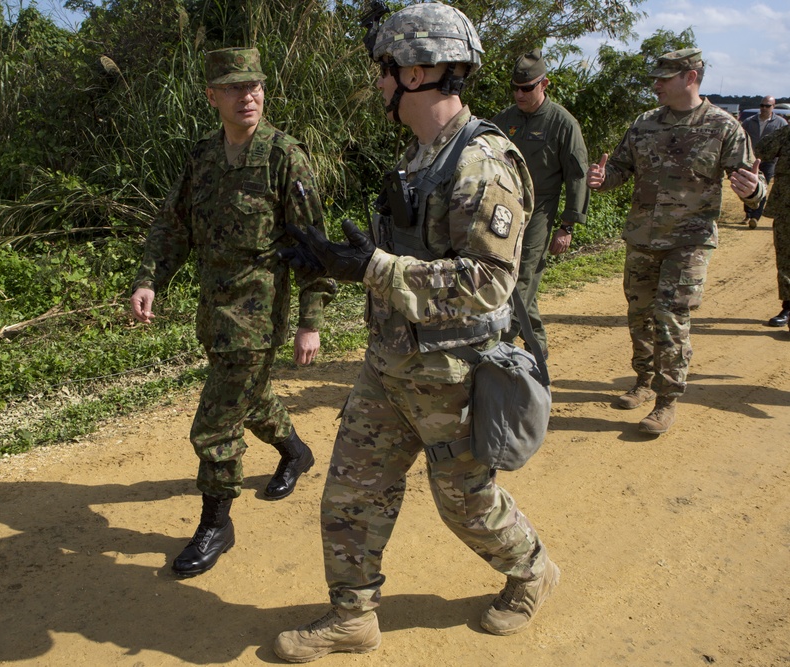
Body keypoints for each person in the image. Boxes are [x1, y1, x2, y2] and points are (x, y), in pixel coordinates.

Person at [271, 4, 558, 661]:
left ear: (423, 71)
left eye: (386, 69)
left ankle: (531, 569)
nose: (379, 82)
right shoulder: (423, 152)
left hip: (452, 376)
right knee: (351, 491)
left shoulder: (482, 163)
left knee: (467, 503)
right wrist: (338, 262)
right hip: (389, 364)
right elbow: (411, 255)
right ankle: (352, 615)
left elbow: (489, 281)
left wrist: (373, 265)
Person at [130, 47, 337, 578]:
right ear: (212, 96)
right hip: (213, 313)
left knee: (215, 422)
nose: (249, 96)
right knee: (252, 397)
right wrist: (150, 278)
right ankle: (295, 452)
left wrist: (310, 321)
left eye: (255, 87)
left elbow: (314, 244)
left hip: (257, 316)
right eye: (236, 88)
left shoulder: (284, 156)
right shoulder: (202, 157)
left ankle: (216, 522)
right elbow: (173, 224)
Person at [586, 48, 764, 435]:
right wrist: (603, 179)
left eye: (664, 78)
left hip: (690, 241)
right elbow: (619, 168)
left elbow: (752, 182)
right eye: (656, 77)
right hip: (642, 237)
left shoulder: (722, 126)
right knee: (639, 314)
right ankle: (644, 382)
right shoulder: (644, 124)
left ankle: (667, 401)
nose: (656, 84)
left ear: (691, 77)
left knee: (671, 317)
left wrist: (753, 193)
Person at [492, 49, 589, 360]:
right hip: (505, 208)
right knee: (512, 279)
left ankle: (500, 345)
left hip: (540, 211)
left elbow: (577, 176)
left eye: (527, 88)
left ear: (544, 84)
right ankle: (538, 347)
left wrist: (568, 225)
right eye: (516, 88)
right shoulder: (504, 120)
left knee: (521, 280)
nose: (520, 94)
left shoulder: (562, 123)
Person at [756, 122, 790, 329]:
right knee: (786, 255)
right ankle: (788, 306)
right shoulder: (787, 133)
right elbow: (761, 151)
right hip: (787, 204)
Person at [740, 96, 786, 229]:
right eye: (762, 105)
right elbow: (741, 137)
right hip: (751, 159)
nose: (764, 108)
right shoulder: (749, 121)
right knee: (748, 185)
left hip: (769, 161)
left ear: (773, 107)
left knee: (763, 186)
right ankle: (748, 214)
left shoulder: (781, 123)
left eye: (767, 106)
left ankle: (755, 216)